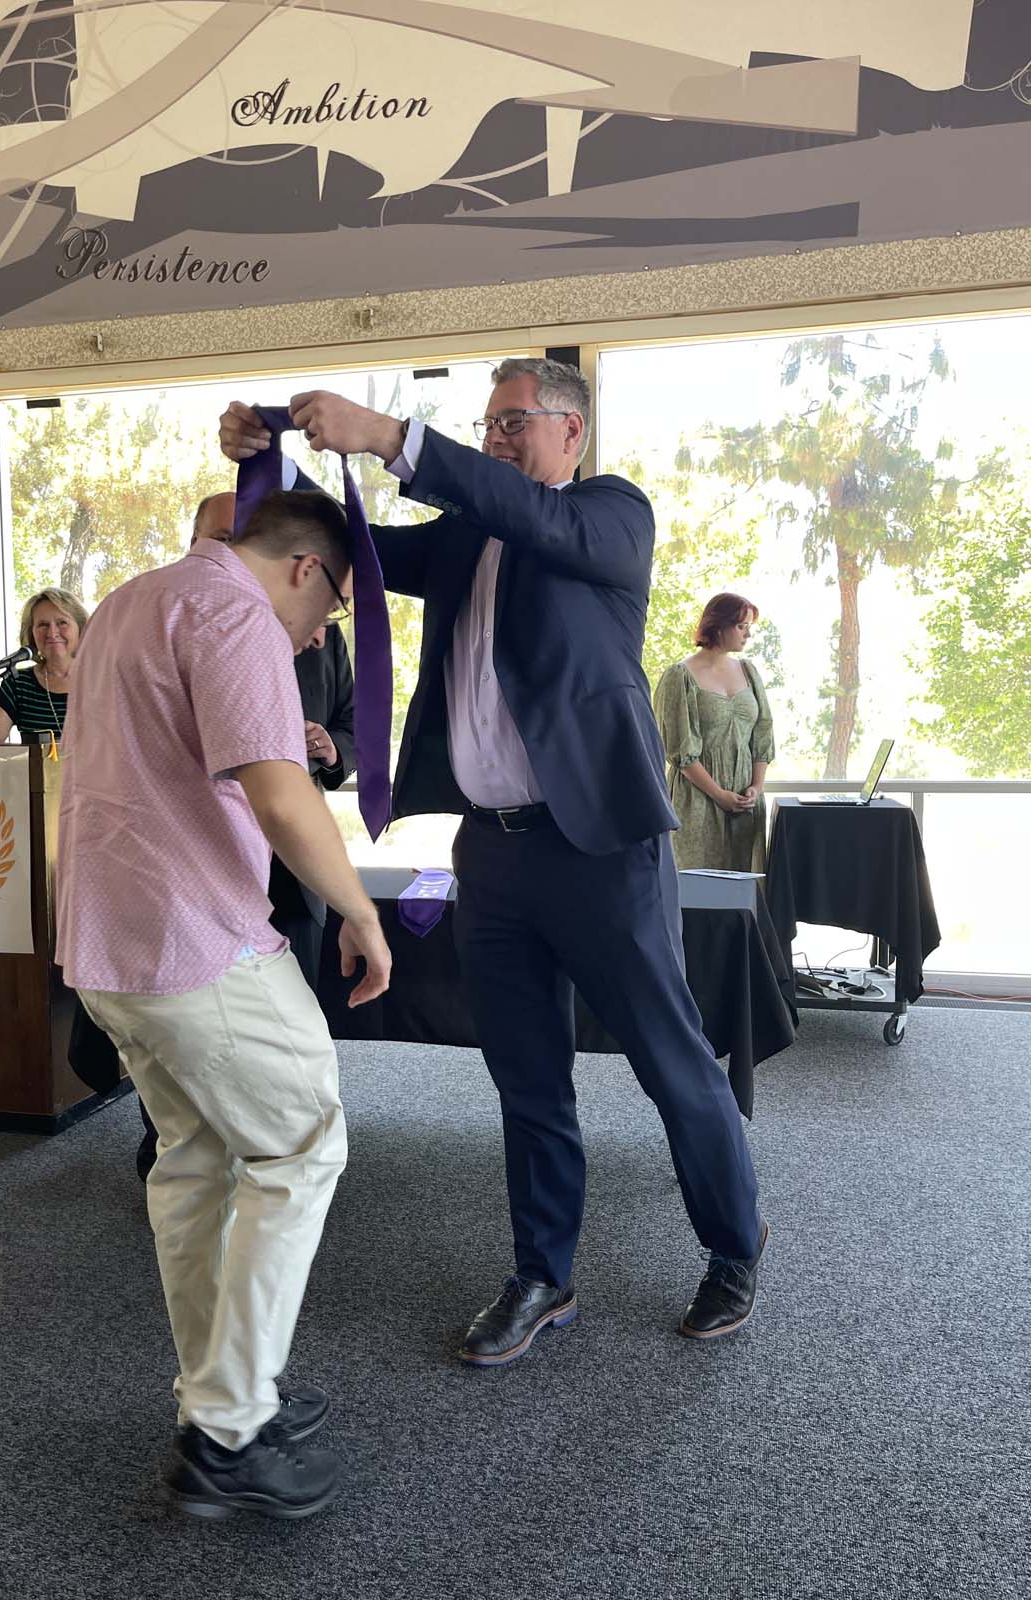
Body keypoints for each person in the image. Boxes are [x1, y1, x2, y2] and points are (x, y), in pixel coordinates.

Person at [218, 357, 767, 1366]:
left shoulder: (610, 516)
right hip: (493, 853)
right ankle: (542, 1274)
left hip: (599, 847)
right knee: (525, 1075)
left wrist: (391, 437)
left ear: (573, 433)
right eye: (489, 423)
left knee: (669, 1059)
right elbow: (353, 548)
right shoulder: (472, 531)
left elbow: (531, 517)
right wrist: (268, 470)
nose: (498, 439)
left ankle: (735, 1244)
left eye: (514, 423)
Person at [56, 488, 391, 1520]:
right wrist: (360, 911)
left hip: (107, 940)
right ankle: (231, 1431)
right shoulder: (241, 612)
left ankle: (215, 1397)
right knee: (303, 1140)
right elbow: (279, 789)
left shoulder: (130, 598)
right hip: (192, 934)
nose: (324, 629)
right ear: (303, 568)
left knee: (196, 1159)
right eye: (331, 606)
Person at [135, 491, 357, 1183]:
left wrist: (328, 749)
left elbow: (354, 725)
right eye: (221, 539)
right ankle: (182, 1143)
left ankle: (237, 1146)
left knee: (293, 1024)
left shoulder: (323, 633)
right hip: (206, 861)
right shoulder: (188, 619)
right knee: (204, 1071)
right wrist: (366, 912)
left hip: (293, 863)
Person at [653, 593, 775, 872]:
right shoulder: (679, 676)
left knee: (743, 896)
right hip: (697, 799)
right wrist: (719, 794)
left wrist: (757, 786)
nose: (748, 634)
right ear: (719, 625)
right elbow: (680, 751)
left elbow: (763, 733)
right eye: (742, 627)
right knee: (698, 896)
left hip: (745, 802)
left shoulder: (748, 671)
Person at [0, 587, 88, 744]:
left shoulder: (104, 681)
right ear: (31, 633)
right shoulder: (18, 684)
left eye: (62, 622)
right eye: (43, 625)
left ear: (81, 629)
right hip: (36, 769)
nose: (52, 633)